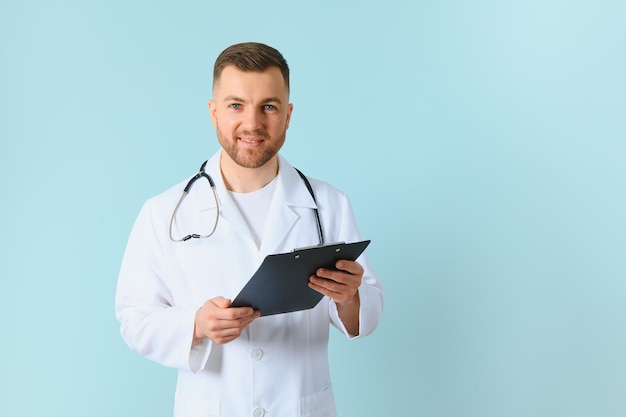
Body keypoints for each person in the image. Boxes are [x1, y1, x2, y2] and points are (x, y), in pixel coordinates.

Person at [115, 42, 384, 417]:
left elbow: (365, 315)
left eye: (269, 107)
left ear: (288, 115)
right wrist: (196, 324)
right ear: (214, 113)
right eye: (236, 105)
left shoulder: (329, 205)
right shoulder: (164, 212)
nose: (253, 123)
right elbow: (134, 317)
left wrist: (348, 298)